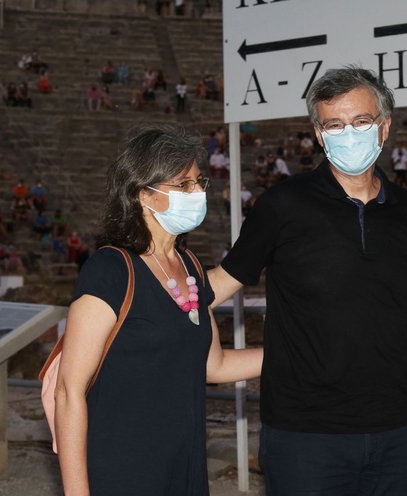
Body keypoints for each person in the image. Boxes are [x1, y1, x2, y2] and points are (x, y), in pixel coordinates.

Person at [208, 66, 407, 495]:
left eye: (361, 120)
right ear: (318, 134)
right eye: (334, 124)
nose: (348, 133)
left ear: (385, 126)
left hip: (398, 437)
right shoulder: (282, 205)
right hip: (305, 439)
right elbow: (216, 287)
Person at [55, 125, 262, 495]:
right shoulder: (110, 270)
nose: (197, 193)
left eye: (198, 182)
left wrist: (294, 352)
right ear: (142, 194)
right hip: (123, 470)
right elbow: (69, 391)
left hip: (184, 466)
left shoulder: (190, 266)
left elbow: (214, 366)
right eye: (183, 185)